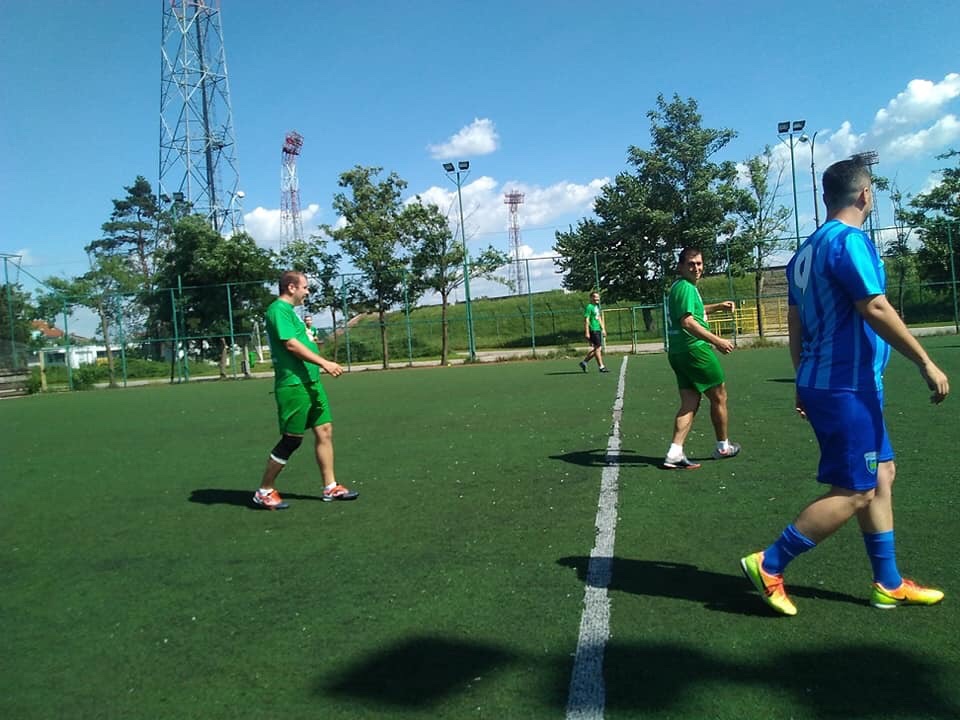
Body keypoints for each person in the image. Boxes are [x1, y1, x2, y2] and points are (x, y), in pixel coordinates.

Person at [740, 159, 949, 616]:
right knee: (856, 490)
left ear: (825, 197)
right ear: (865, 195)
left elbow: (795, 322)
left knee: (882, 474)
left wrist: (801, 378)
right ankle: (769, 563)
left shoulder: (805, 251)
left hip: (830, 382)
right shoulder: (849, 242)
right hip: (846, 385)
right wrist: (925, 361)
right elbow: (874, 306)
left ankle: (887, 583)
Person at [253, 271, 358, 509]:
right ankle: (264, 490)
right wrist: (324, 362)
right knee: (292, 440)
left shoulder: (290, 312)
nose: (307, 292)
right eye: (305, 287)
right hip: (294, 384)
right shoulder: (278, 310)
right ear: (291, 288)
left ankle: (330, 487)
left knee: (325, 430)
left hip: (311, 382)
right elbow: (290, 344)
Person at [662, 247, 740, 469]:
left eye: (699, 263)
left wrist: (718, 307)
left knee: (690, 401)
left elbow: (693, 312)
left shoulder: (679, 287)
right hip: (695, 351)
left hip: (678, 352)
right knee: (719, 396)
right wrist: (717, 341)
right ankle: (723, 447)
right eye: (691, 264)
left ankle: (674, 453)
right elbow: (687, 321)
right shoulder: (686, 287)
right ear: (680, 267)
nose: (696, 268)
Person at [579, 291, 609, 373]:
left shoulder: (596, 307)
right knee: (598, 348)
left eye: (598, 297)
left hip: (598, 329)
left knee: (597, 348)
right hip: (593, 330)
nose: (597, 299)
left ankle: (584, 362)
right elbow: (586, 320)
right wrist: (587, 332)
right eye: (595, 297)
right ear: (591, 298)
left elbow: (599, 318)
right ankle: (601, 367)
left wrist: (603, 329)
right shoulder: (589, 307)